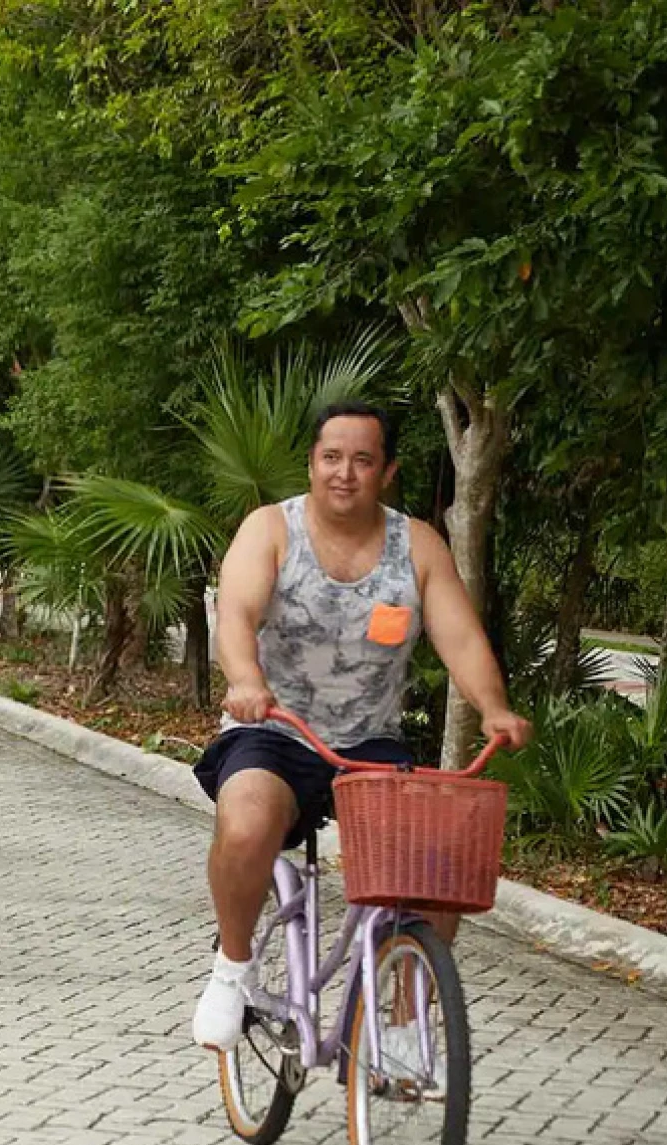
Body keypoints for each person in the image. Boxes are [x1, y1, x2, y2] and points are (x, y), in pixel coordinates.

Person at [190, 401, 532, 1049]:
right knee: (247, 820)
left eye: (363, 460)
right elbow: (235, 612)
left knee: (435, 862)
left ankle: (403, 1027)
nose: (345, 472)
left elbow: (458, 636)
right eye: (331, 457)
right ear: (313, 464)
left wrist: (493, 705)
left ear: (387, 471)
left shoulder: (418, 545)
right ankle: (232, 970)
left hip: (370, 745)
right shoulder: (271, 530)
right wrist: (244, 680)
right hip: (274, 727)